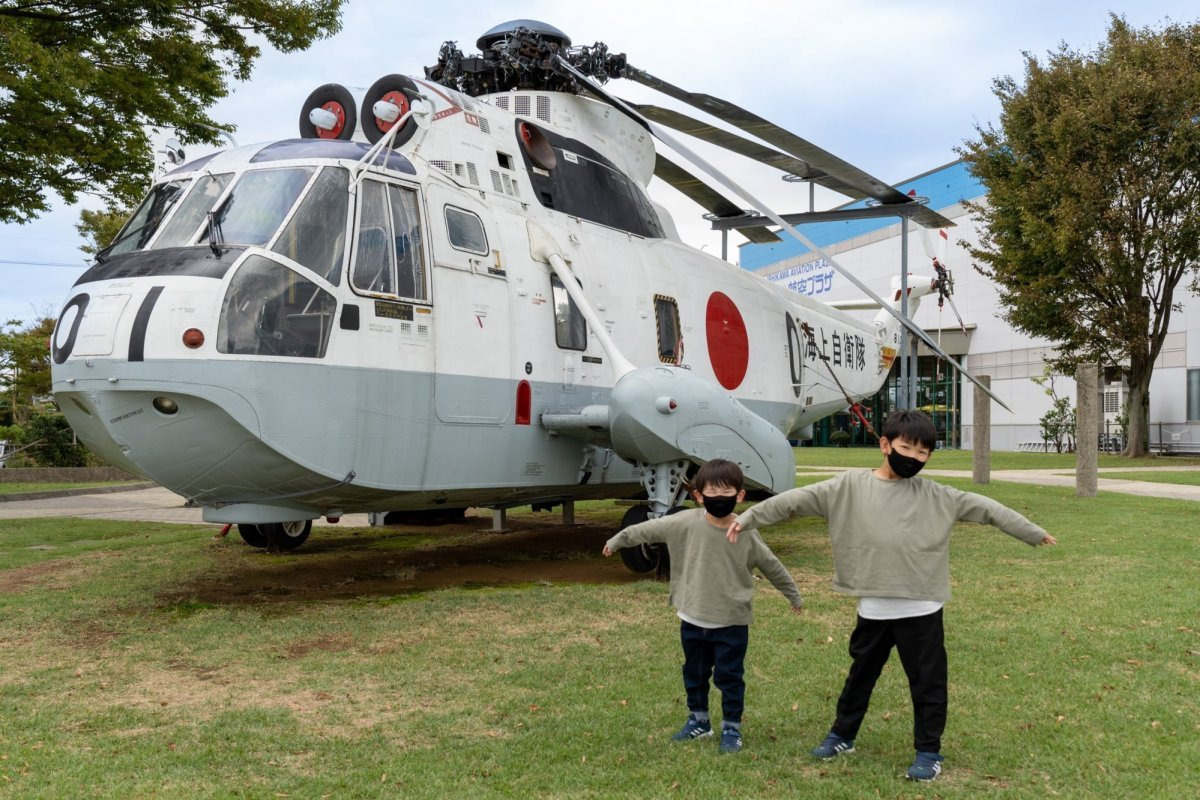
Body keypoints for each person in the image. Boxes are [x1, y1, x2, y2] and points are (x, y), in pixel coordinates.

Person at [727, 409, 1056, 781]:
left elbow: (988, 509)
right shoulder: (847, 487)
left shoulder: (937, 496)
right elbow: (794, 501)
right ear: (885, 445)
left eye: (923, 454)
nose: (914, 458)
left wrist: (1032, 532)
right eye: (906, 448)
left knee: (927, 683)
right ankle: (841, 735)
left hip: (922, 608)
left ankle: (929, 752)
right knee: (860, 677)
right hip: (874, 608)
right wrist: (748, 518)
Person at [602, 458, 804, 754]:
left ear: (740, 495)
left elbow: (771, 565)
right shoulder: (684, 522)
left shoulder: (745, 530)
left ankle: (731, 728)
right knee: (694, 674)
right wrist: (618, 540)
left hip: (731, 622)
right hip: (692, 617)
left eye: (727, 493)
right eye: (712, 492)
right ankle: (699, 721)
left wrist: (793, 594)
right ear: (698, 496)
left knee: (729, 677)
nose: (719, 498)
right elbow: (648, 529)